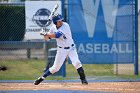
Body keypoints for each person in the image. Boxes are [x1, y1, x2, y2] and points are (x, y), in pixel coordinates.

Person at [34, 14, 88, 85]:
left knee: (76, 62)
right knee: (55, 68)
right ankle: (41, 78)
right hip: (61, 50)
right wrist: (45, 35)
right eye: (59, 21)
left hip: (71, 48)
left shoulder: (65, 26)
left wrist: (46, 33)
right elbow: (47, 39)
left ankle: (83, 80)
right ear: (55, 22)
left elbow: (57, 35)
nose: (61, 22)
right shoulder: (53, 28)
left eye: (61, 20)